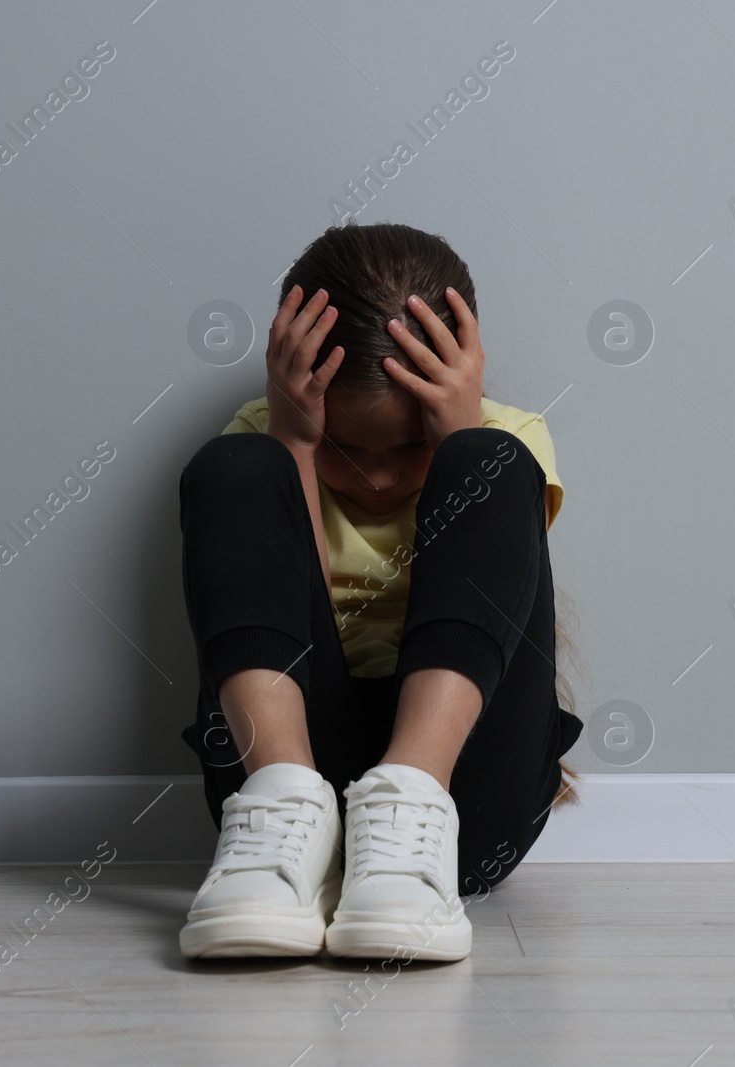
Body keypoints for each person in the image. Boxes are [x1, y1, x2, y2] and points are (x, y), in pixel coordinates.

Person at [176, 222, 583, 962]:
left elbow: (484, 581)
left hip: (460, 803)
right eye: (344, 449)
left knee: (493, 460)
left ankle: (407, 802)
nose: (379, 477)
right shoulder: (267, 445)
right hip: (291, 797)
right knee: (234, 463)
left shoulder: (507, 435)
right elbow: (291, 597)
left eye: (407, 449)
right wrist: (294, 446)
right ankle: (283, 809)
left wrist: (457, 440)